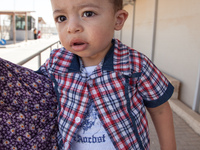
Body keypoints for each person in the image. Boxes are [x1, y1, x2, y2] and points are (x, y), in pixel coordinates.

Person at [37, 0, 176, 149]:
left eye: (88, 13)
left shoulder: (135, 64)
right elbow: (29, 93)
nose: (71, 28)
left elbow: (160, 110)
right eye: (61, 18)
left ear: (118, 20)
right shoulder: (55, 63)